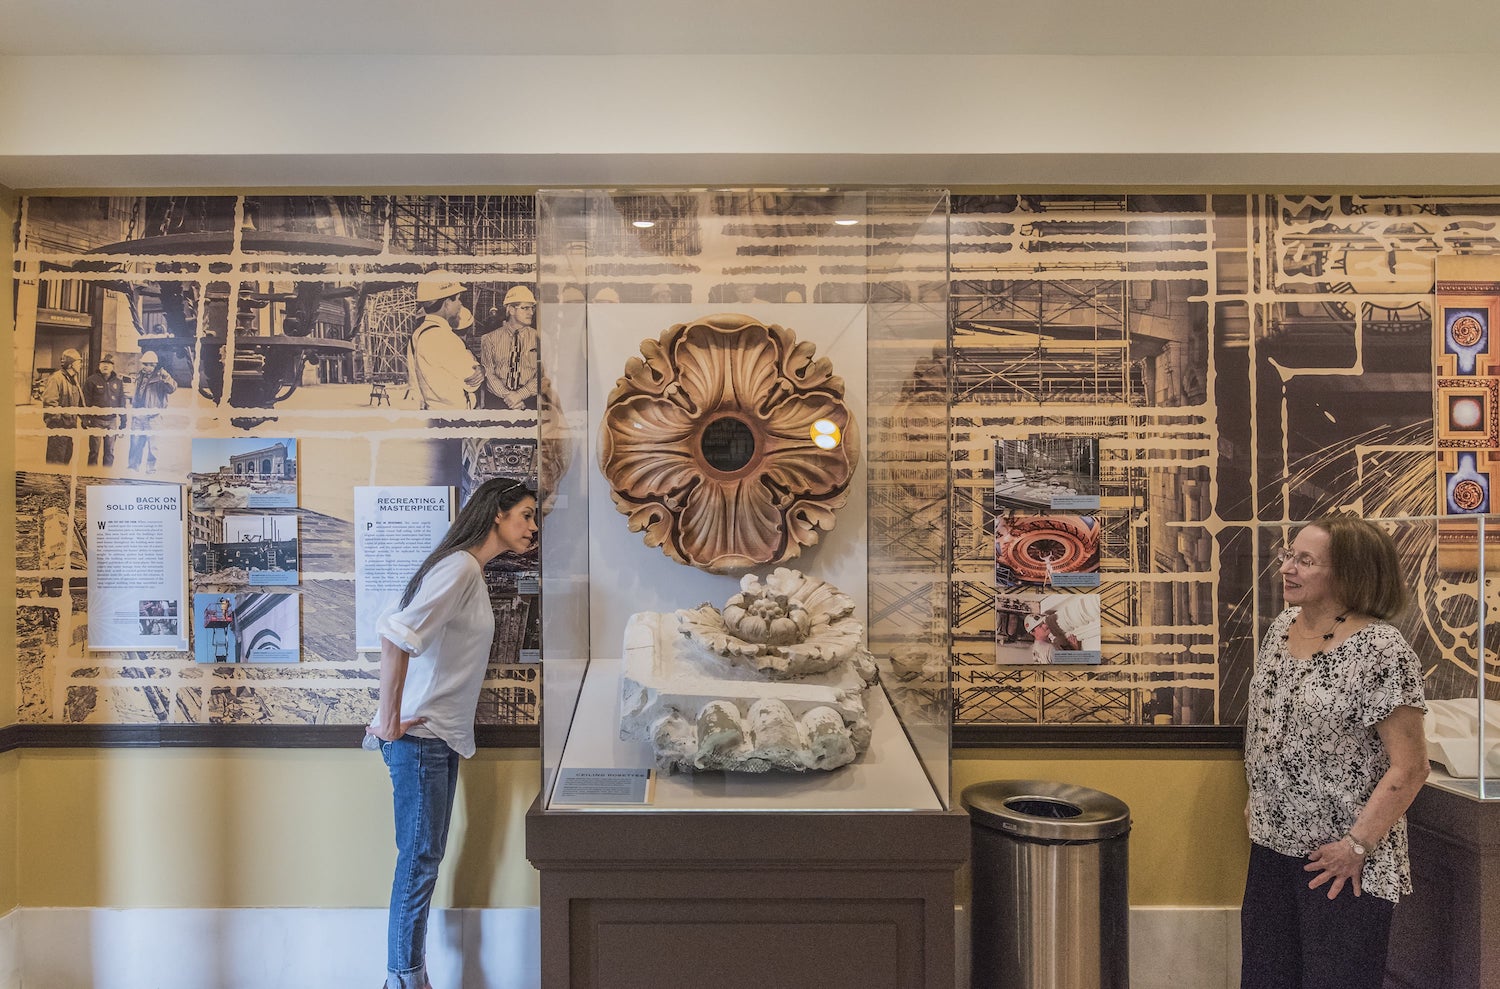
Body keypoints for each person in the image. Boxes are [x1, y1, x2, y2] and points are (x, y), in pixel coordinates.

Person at [1241, 514, 1429, 989]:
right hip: (1273, 848)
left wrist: (1355, 846)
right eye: (1288, 556)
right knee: (1265, 978)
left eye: (1306, 561)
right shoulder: (1282, 627)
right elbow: (1271, 727)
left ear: (1348, 574)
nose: (1288, 568)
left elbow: (1410, 768)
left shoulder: (1383, 651)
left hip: (1342, 864)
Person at [367, 477, 539, 989]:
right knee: (418, 864)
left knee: (423, 860)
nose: (532, 527)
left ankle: (407, 974)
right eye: (526, 514)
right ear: (497, 515)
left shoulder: (468, 571)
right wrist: (389, 720)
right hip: (420, 743)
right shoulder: (461, 567)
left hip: (435, 741)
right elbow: (396, 635)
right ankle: (403, 979)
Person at [407, 276, 482, 411]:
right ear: (447, 303)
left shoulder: (418, 334)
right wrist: (481, 369)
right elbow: (472, 382)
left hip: (433, 413)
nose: (460, 305)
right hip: (454, 418)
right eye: (458, 299)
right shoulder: (444, 337)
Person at [478, 285, 539, 410]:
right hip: (498, 402)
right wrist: (509, 396)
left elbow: (543, 374)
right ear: (511, 309)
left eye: (532, 308)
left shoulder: (539, 339)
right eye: (525, 308)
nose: (531, 312)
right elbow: (488, 372)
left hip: (530, 401)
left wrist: (520, 395)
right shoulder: (489, 339)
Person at [128, 351, 177, 473]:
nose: (147, 367)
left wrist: (166, 378)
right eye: (145, 364)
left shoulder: (161, 378)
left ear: (155, 365)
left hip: (153, 417)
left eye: (151, 364)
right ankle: (133, 467)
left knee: (153, 446)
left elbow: (172, 388)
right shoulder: (139, 376)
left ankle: (151, 470)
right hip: (138, 416)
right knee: (135, 443)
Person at [41, 348, 84, 465]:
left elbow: (78, 402)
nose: (81, 365)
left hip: (70, 427)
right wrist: (59, 421)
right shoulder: (56, 378)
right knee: (55, 460)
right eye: (78, 362)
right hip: (59, 428)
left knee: (66, 458)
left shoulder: (73, 379)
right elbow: (50, 402)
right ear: (71, 364)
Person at [83, 353, 126, 467]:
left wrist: (123, 421)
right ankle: (91, 475)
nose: (105, 366)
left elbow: (122, 402)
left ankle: (106, 475)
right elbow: (85, 402)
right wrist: (85, 419)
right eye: (103, 363)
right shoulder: (91, 381)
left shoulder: (118, 382)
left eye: (108, 363)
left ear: (113, 366)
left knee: (109, 452)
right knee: (94, 452)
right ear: (99, 366)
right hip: (96, 421)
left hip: (112, 421)